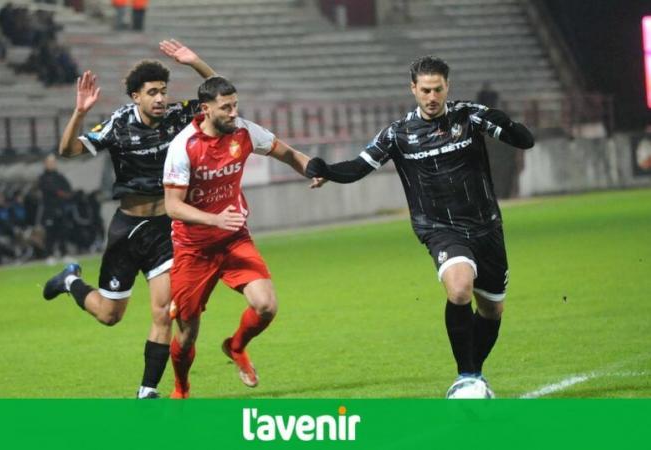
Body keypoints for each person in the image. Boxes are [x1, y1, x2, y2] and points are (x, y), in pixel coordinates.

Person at [305, 56, 534, 397]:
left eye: (437, 89)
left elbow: (524, 140)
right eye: (425, 90)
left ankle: (473, 376)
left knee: (492, 310)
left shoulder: (469, 116)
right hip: (439, 228)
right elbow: (358, 166)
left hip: (486, 227)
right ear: (413, 89)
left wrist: (508, 125)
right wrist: (326, 169)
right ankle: (466, 374)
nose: (431, 96)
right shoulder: (398, 134)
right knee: (459, 290)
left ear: (447, 87)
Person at [42, 40, 216, 399]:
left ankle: (147, 390)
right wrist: (79, 112)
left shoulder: (178, 116)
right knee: (109, 315)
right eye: (152, 92)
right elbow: (68, 150)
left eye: (163, 91)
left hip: (165, 229)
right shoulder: (119, 124)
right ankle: (70, 280)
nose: (160, 99)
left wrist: (195, 62)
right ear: (136, 96)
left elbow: (220, 96)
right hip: (127, 228)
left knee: (163, 312)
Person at [162, 76, 324, 398]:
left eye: (235, 105)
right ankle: (181, 389)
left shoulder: (245, 132)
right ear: (205, 109)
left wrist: (311, 169)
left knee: (266, 306)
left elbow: (287, 153)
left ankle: (236, 347)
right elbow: (172, 207)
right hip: (193, 249)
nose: (233, 112)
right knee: (188, 333)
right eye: (226, 108)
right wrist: (214, 219)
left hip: (234, 239)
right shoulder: (183, 146)